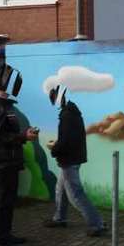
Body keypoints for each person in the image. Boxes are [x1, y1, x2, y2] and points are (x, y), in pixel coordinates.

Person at [43, 85, 106, 236]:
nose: (52, 100)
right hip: (73, 158)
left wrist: (54, 149)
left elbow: (65, 142)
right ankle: (59, 218)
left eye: (53, 97)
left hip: (69, 160)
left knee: (76, 195)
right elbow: (69, 139)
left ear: (59, 97)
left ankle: (97, 224)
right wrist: (58, 145)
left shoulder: (67, 116)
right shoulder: (72, 112)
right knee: (60, 190)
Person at [0, 64, 39, 246]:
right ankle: (0, 243)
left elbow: (4, 133)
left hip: (9, 163)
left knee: (9, 202)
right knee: (2, 203)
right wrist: (22, 137)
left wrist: (22, 135)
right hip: (0, 165)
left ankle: (6, 234)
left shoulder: (5, 106)